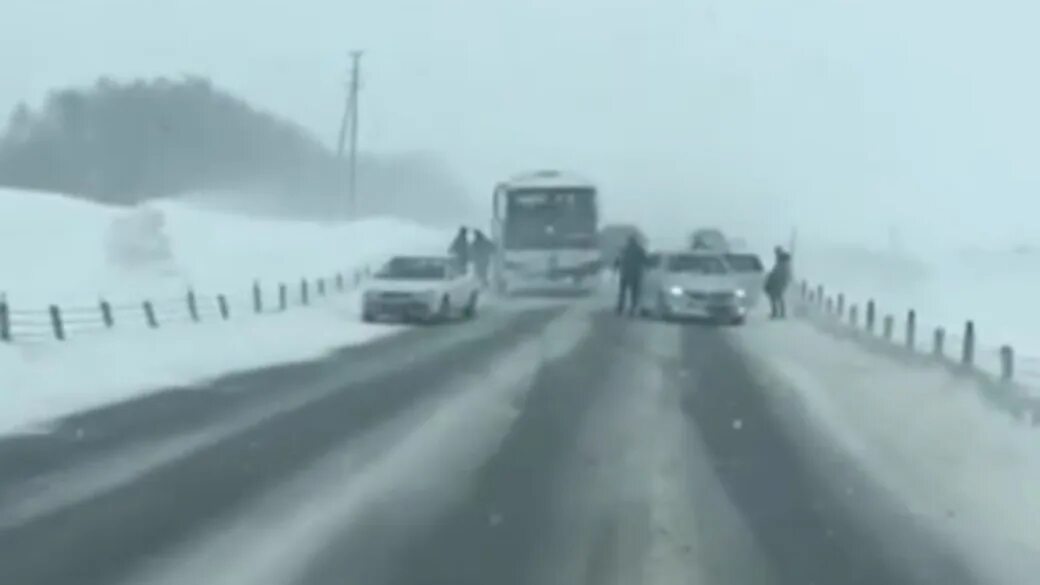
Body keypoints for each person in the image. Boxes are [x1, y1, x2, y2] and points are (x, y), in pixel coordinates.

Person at [615, 235, 648, 316]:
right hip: (635, 275)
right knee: (634, 293)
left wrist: (616, 266)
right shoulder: (639, 250)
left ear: (629, 241)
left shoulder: (625, 249)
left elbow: (619, 259)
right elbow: (645, 260)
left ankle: (620, 307)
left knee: (623, 292)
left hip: (625, 274)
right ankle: (632, 308)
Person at [764, 246, 793, 319]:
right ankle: (781, 313)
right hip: (782, 281)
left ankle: (776, 313)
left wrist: (771, 278)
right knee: (779, 296)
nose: (775, 254)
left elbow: (777, 272)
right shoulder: (785, 262)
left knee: (774, 296)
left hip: (778, 281)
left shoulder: (781, 261)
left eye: (776, 252)